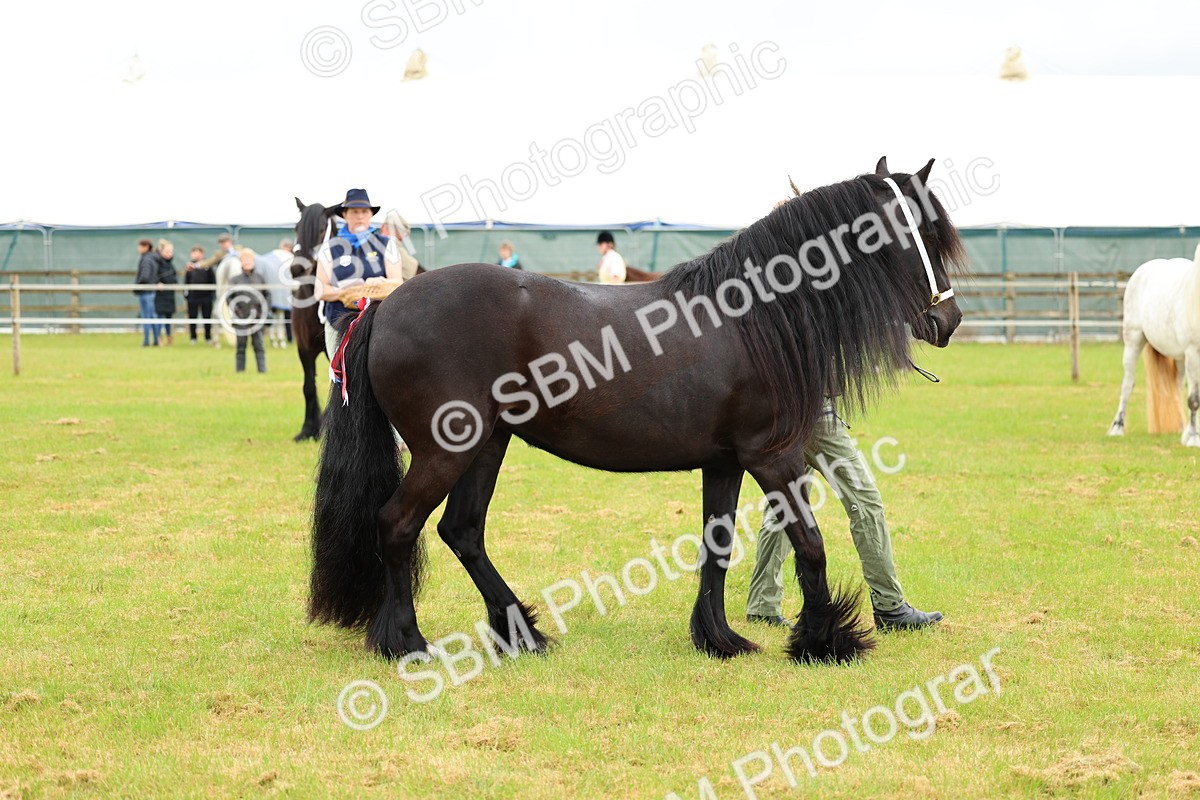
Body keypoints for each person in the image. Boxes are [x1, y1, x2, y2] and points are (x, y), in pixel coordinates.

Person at [745, 409, 943, 632]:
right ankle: (890, 607)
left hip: (776, 409)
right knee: (865, 501)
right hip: (812, 412)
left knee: (788, 503)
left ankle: (762, 603)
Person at [315, 188, 403, 362]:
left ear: (371, 215)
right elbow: (320, 290)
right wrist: (347, 293)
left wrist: (376, 286)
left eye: (364, 211)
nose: (360, 216)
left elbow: (397, 283)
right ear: (345, 215)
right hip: (338, 322)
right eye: (354, 212)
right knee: (341, 376)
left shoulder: (386, 244)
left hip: (377, 323)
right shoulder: (330, 248)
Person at [228, 249, 268, 373]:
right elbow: (229, 297)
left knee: (259, 345)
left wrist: (265, 309)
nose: (247, 262)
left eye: (249, 260)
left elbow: (268, 295)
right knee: (241, 346)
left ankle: (262, 370)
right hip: (241, 318)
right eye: (244, 260)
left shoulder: (260, 278)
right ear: (240, 262)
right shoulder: (235, 280)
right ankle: (240, 370)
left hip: (257, 317)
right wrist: (236, 310)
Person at [258, 239, 295, 348]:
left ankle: (283, 338)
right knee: (275, 317)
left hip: (283, 294)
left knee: (281, 317)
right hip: (275, 294)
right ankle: (275, 338)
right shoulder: (281, 258)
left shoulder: (286, 258)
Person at [184, 245, 216, 345]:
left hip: (206, 297)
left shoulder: (208, 266)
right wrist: (187, 295)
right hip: (193, 297)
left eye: (198, 252)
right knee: (192, 318)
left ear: (202, 254)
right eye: (194, 252)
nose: (196, 254)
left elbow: (213, 281)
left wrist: (212, 295)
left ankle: (208, 337)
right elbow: (186, 282)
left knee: (207, 318)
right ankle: (193, 338)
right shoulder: (189, 267)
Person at [134, 239, 159, 346]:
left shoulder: (146, 260)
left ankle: (147, 341)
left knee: (147, 317)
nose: (138, 249)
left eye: (140, 246)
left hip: (146, 292)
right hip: (150, 291)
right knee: (152, 316)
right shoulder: (151, 258)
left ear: (146, 246)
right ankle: (156, 340)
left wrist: (138, 285)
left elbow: (145, 275)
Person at [154, 239, 179, 346]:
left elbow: (174, 278)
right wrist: (157, 283)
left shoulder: (171, 264)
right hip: (160, 295)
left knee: (169, 317)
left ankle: (169, 337)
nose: (170, 253)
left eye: (171, 251)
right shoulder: (157, 263)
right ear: (161, 251)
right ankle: (158, 338)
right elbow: (153, 276)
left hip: (170, 294)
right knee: (160, 316)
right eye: (167, 251)